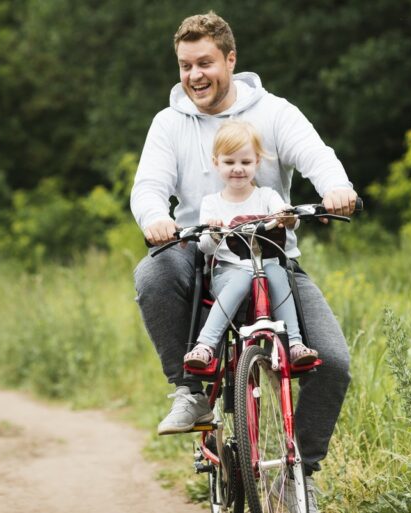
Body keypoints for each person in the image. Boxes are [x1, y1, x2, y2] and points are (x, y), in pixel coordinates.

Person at [130, 11, 357, 511]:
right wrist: (154, 218)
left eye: (205, 62)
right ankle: (191, 391)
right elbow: (148, 187)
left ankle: (303, 472)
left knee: (334, 363)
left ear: (230, 59)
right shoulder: (169, 124)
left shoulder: (274, 113)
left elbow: (317, 155)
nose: (194, 76)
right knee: (152, 271)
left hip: (274, 258)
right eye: (185, 65)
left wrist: (336, 189)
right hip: (204, 257)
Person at [183, 119, 318, 370]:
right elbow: (204, 247)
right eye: (229, 162)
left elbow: (287, 219)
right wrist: (212, 232)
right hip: (228, 272)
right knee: (242, 278)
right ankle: (205, 345)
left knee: (278, 272)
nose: (238, 169)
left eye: (245, 162)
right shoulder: (212, 203)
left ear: (257, 162)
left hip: (266, 267)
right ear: (216, 163)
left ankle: (295, 344)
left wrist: (287, 217)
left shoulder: (267, 197)